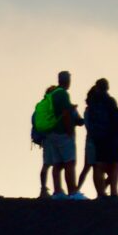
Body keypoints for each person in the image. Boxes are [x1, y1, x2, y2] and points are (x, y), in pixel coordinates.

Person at [43, 71, 84, 200]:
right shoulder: (63, 94)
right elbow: (66, 113)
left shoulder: (53, 94)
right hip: (63, 133)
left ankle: (58, 191)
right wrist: (69, 131)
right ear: (67, 81)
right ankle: (72, 192)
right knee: (69, 163)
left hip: (52, 133)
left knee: (57, 163)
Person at [81, 78, 118, 200]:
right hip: (110, 137)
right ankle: (114, 192)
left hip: (96, 137)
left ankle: (101, 193)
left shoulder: (91, 104)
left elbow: (88, 122)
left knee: (98, 166)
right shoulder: (110, 101)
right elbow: (116, 119)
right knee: (115, 164)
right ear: (107, 87)